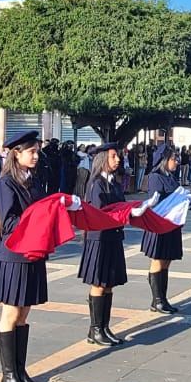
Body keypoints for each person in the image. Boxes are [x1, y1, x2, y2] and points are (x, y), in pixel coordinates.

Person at [0, 130, 61, 382]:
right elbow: (9, 223)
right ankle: (9, 376)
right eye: (32, 151)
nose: (36, 155)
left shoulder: (33, 180)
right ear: (16, 153)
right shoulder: (5, 184)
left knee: (24, 314)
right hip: (15, 255)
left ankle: (20, 370)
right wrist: (42, 218)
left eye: (37, 150)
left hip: (33, 253)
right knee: (10, 313)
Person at [81, 143, 128, 345]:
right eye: (113, 156)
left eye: (117, 156)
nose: (117, 160)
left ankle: (105, 326)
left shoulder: (114, 183)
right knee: (99, 284)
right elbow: (100, 213)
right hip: (99, 239)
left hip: (113, 237)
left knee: (109, 284)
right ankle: (95, 329)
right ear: (102, 160)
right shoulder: (96, 184)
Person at [142, 144, 182, 314]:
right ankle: (157, 300)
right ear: (165, 160)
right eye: (174, 159)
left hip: (171, 224)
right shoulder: (155, 177)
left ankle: (163, 298)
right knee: (158, 260)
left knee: (166, 260)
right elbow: (156, 201)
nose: (177, 162)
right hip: (159, 224)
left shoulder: (171, 177)